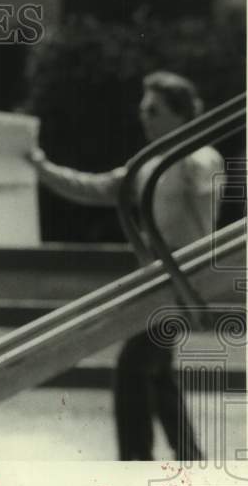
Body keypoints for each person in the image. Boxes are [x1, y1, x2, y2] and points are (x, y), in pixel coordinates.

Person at [28, 71, 223, 461]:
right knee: (156, 372)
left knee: (134, 368)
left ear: (180, 114)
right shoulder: (149, 163)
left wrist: (196, 291)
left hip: (179, 283)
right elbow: (95, 188)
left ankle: (135, 460)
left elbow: (207, 226)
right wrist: (42, 167)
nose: (144, 117)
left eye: (154, 110)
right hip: (158, 284)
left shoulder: (198, 160)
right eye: (142, 110)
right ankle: (189, 456)